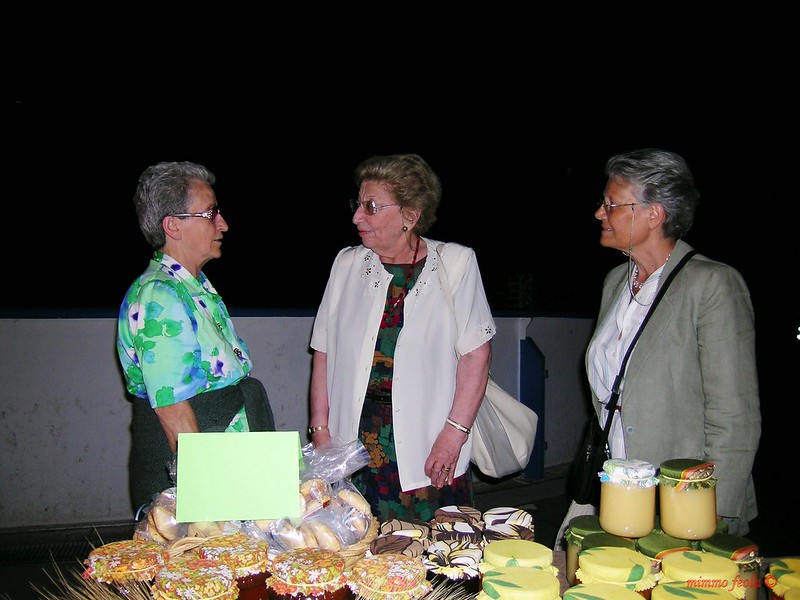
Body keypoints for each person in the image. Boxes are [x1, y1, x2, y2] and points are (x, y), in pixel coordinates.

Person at [557, 148, 761, 544]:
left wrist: (713, 510)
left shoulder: (712, 284)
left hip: (681, 500)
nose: (599, 213)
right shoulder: (615, 283)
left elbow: (735, 413)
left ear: (654, 214)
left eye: (611, 204)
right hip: (616, 489)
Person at [308, 153, 496, 522]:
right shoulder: (346, 264)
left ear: (409, 215)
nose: (356, 217)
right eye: (357, 204)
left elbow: (477, 355)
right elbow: (323, 351)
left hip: (430, 438)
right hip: (355, 441)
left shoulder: (456, 263)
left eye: (370, 207)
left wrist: (454, 435)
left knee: (434, 542)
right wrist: (320, 430)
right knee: (358, 538)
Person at [117, 160, 275, 513]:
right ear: (173, 225)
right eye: (211, 213)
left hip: (223, 452)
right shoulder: (159, 296)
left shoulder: (192, 287)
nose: (223, 224)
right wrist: (207, 498)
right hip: (197, 468)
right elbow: (172, 406)